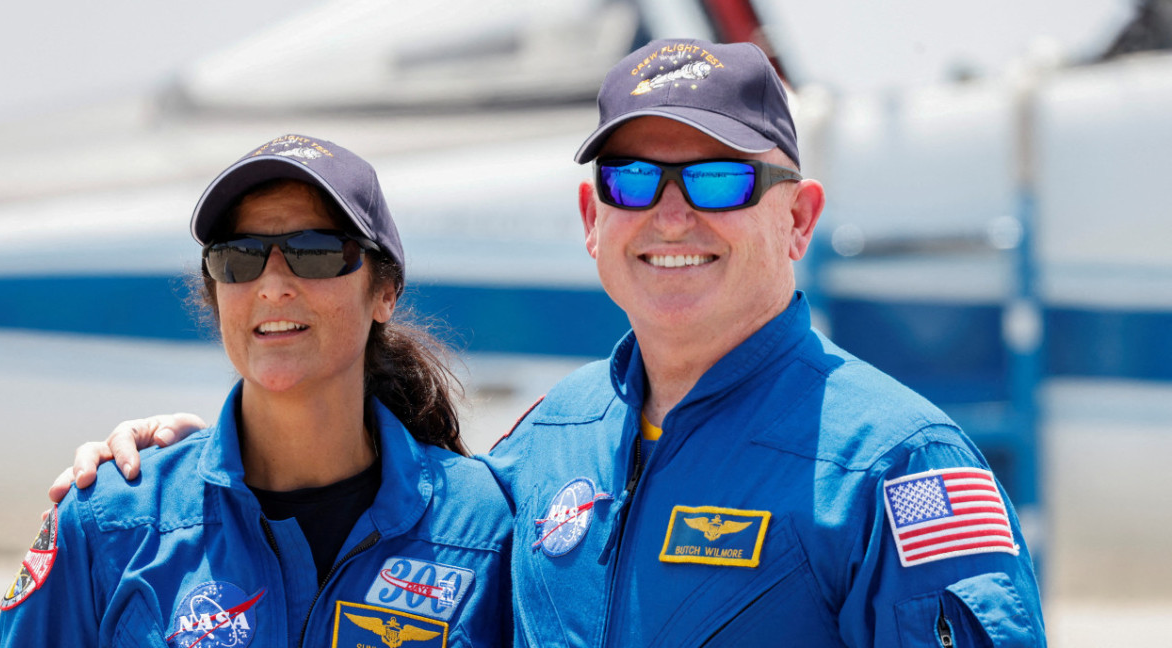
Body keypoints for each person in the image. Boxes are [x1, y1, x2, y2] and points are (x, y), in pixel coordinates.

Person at [50, 40, 1045, 646]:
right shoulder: (541, 450)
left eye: (717, 182)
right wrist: (190, 470)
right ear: (589, 218)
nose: (669, 216)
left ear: (799, 218)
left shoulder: (895, 467)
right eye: (631, 182)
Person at [0, 134, 512, 647]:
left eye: (315, 251)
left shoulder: (486, 527)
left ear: (385, 292)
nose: (271, 285)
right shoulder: (111, 523)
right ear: (216, 295)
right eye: (239, 257)